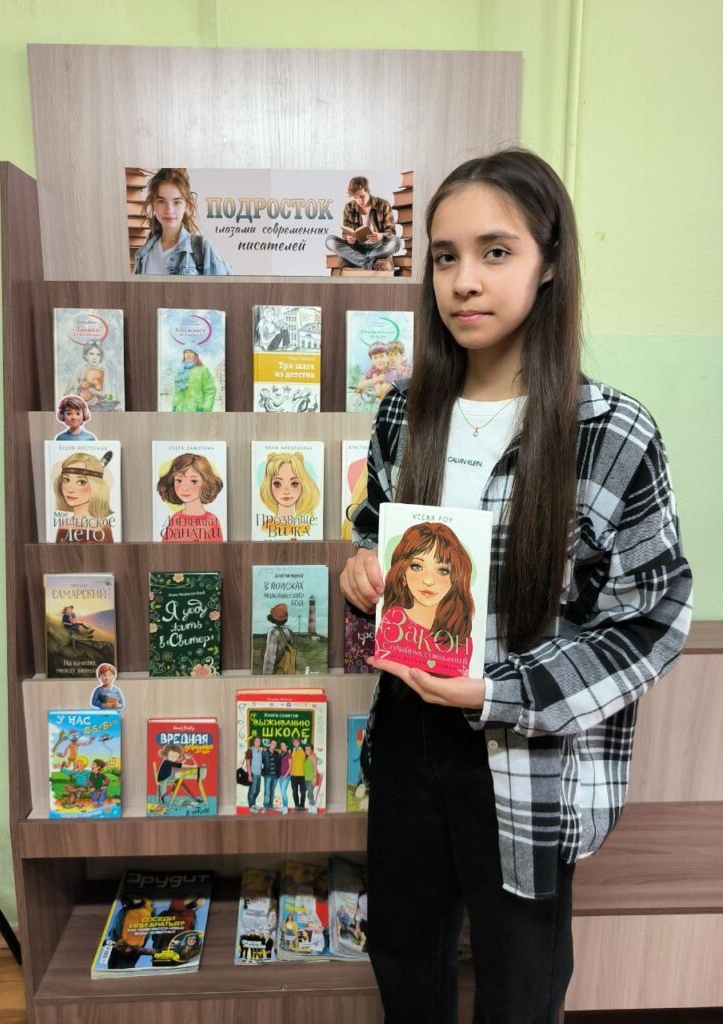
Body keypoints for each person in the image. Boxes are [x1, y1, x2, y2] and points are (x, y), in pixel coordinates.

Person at [339, 149, 692, 1024]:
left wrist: (500, 690)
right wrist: (360, 575)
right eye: (445, 256)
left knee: (520, 980)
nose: (464, 281)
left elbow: (649, 619)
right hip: (408, 733)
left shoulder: (610, 433)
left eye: (495, 252)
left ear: (550, 262)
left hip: (525, 754)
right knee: (404, 958)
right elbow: (374, 533)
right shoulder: (403, 411)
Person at [375, 521, 475, 676]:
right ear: (403, 575)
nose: (428, 580)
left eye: (442, 570)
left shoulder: (462, 640)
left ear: (456, 579)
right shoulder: (393, 620)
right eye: (416, 566)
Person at [133, 168, 232, 276]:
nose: (169, 210)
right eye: (161, 201)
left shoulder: (202, 250)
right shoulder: (143, 255)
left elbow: (223, 287)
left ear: (187, 206)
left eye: (177, 202)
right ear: (153, 205)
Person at [326, 175, 401, 271]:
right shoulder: (349, 207)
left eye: (362, 196)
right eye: (355, 198)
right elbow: (345, 232)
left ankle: (360, 260)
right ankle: (368, 262)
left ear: (368, 191)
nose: (359, 201)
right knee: (330, 241)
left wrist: (380, 236)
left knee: (396, 241)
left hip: (377, 247)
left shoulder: (383, 204)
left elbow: (391, 232)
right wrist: (348, 238)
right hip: (356, 248)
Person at [156, 452, 224, 542]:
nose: (184, 488)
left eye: (193, 481)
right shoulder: (175, 519)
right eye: (179, 480)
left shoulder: (212, 521)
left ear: (206, 483)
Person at [53, 450, 114, 543]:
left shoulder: (102, 526)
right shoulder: (63, 526)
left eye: (81, 482)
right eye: (66, 480)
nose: (70, 489)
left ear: (96, 486)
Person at [257, 450, 321, 539]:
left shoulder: (307, 527)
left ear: (303, 485)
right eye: (277, 484)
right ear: (269, 486)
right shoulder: (266, 527)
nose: (286, 491)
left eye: (294, 484)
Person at [261, 604, 296, 675]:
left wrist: (266, 676)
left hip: (276, 673)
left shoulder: (273, 632)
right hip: (287, 672)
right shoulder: (289, 632)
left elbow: (270, 657)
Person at [244, 735, 263, 813]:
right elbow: (248, 763)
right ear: (253, 742)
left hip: (259, 774)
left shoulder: (261, 750)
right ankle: (251, 806)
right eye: (256, 741)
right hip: (253, 773)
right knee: (252, 791)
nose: (258, 742)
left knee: (257, 790)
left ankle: (253, 804)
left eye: (259, 741)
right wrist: (249, 775)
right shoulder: (250, 750)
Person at [261, 739, 281, 811]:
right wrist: (262, 772)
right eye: (272, 743)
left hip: (275, 776)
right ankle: (265, 805)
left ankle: (270, 805)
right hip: (267, 775)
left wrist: (278, 775)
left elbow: (279, 764)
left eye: (275, 744)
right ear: (270, 744)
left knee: (272, 791)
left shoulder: (277, 753)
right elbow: (260, 761)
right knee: (267, 791)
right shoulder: (264, 752)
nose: (273, 745)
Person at [289, 736, 306, 811]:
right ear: (293, 743)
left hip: (303, 775)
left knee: (303, 792)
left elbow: (308, 759)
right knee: (294, 791)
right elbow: (289, 762)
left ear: (299, 742)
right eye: (294, 742)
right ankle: (296, 805)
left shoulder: (304, 749)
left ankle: (302, 805)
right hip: (294, 775)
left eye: (297, 741)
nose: (296, 743)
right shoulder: (291, 750)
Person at [277, 740, 291, 815]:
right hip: (280, 776)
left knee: (283, 791)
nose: (282, 747)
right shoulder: (280, 755)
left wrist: (285, 775)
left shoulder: (289, 755)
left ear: (286, 746)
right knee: (282, 792)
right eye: (281, 745)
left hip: (286, 776)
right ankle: (283, 806)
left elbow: (290, 767)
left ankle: (285, 807)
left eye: (284, 745)